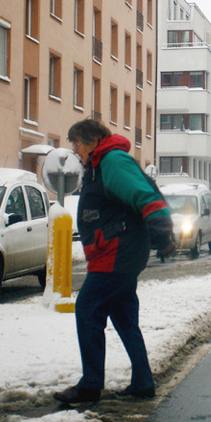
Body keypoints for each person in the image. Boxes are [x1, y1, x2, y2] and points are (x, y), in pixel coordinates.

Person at [54, 119, 175, 404]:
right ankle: (143, 382)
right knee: (123, 316)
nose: (76, 149)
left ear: (94, 140)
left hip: (117, 252)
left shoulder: (112, 160)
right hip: (115, 251)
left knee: (87, 308)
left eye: (78, 143)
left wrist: (161, 233)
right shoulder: (99, 165)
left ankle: (90, 385)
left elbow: (143, 195)